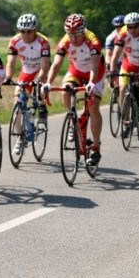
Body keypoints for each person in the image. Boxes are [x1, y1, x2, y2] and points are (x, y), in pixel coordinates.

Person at [42, 13, 105, 166]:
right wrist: (48, 83)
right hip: (76, 70)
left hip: (95, 72)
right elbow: (56, 64)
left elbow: (95, 66)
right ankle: (73, 122)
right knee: (65, 90)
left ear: (83, 31)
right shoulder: (65, 42)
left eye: (77, 35)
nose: (74, 39)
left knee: (93, 106)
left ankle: (96, 147)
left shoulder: (93, 40)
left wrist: (91, 82)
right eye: (70, 35)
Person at [4, 13, 51, 155]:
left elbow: (45, 66)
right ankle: (21, 137)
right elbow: (11, 62)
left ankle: (42, 109)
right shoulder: (14, 41)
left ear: (35, 30)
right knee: (17, 105)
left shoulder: (43, 42)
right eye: (22, 31)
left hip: (39, 71)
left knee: (40, 89)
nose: (26, 34)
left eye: (29, 31)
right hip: (26, 71)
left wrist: (39, 79)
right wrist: (8, 77)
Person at [109, 12, 139, 133]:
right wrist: (113, 70)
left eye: (135, 26)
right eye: (130, 27)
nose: (132, 30)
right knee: (123, 88)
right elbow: (115, 55)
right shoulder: (122, 34)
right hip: (128, 63)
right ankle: (125, 122)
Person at [104, 14, 125, 86]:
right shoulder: (110, 38)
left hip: (130, 58)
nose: (119, 28)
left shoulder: (132, 34)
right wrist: (109, 65)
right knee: (117, 82)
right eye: (117, 26)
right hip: (117, 60)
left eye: (122, 26)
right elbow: (108, 54)